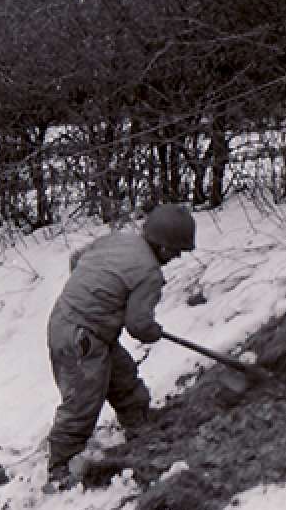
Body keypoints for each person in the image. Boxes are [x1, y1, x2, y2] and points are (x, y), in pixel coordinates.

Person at [45, 203, 196, 489]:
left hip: (72, 324)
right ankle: (60, 469)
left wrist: (95, 295)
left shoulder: (118, 239)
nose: (175, 257)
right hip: (82, 338)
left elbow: (77, 260)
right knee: (82, 402)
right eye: (176, 251)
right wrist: (152, 331)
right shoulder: (150, 273)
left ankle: (139, 429)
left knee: (124, 380)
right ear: (163, 246)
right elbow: (138, 325)